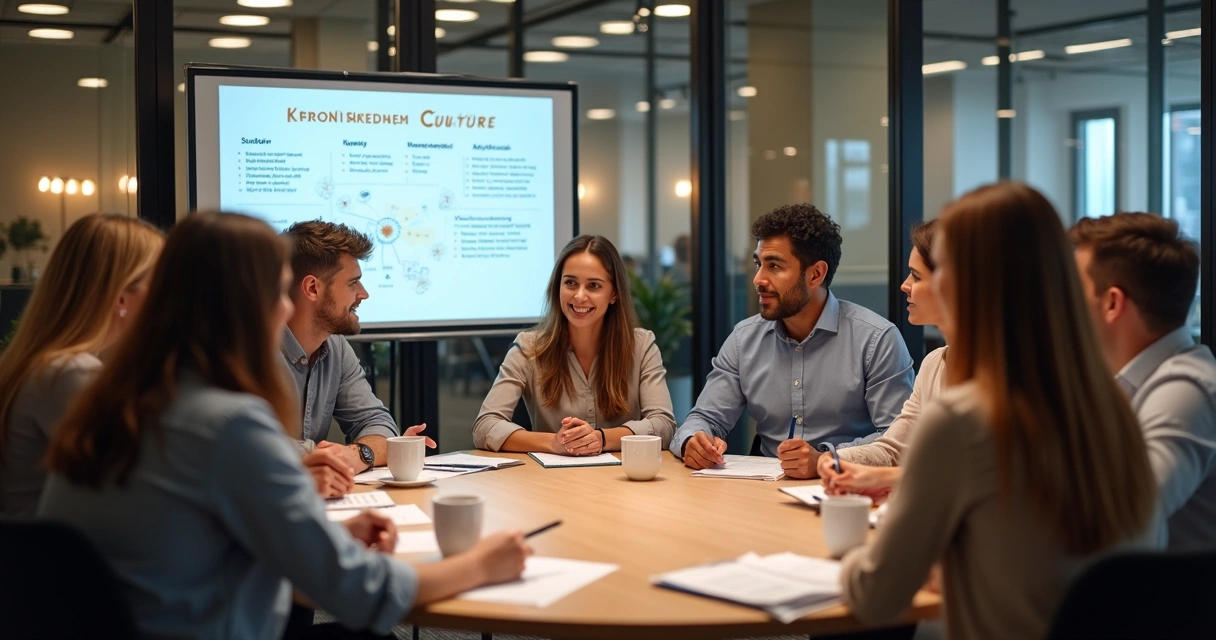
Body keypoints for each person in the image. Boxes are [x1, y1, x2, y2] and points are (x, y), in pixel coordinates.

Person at [38, 212, 529, 640]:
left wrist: (317, 532)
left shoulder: (119, 399)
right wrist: (480, 564)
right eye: (277, 289)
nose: (284, 306)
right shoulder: (224, 421)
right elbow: (361, 593)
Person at [840, 182, 1161, 640]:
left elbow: (876, 597)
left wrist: (844, 553)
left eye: (942, 265)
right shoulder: (1111, 405)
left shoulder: (961, 420)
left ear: (970, 282)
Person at [670, 204, 914, 478]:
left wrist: (824, 459)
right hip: (761, 490)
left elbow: (897, 441)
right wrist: (694, 441)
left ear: (815, 274)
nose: (758, 279)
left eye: (774, 266)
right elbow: (705, 417)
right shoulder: (744, 338)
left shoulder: (876, 340)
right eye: (758, 264)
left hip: (845, 487)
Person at [0, 213, 163, 517]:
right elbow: (141, 484)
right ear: (122, 300)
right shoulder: (70, 373)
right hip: (59, 559)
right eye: (160, 285)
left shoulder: (47, 365)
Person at [1071, 213, 1216, 550]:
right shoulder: (1126, 383)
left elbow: (1122, 519)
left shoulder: (1187, 389)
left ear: (1112, 303)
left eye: (1072, 291)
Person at [473, 235, 676, 454]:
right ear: (557, 287)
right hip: (551, 482)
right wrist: (554, 443)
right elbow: (485, 426)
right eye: (570, 283)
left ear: (614, 294)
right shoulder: (529, 347)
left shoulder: (642, 345)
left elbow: (664, 425)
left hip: (623, 481)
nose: (579, 296)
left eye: (594, 286)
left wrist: (601, 438)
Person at [281, 220, 433, 499]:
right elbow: (246, 446)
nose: (363, 293)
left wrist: (358, 453)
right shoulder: (252, 348)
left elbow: (379, 423)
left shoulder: (335, 346)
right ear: (312, 288)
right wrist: (326, 455)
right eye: (353, 283)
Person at [817, 221, 947, 496]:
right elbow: (895, 449)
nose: (904, 285)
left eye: (916, 276)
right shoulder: (935, 363)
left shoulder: (1003, 375)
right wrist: (835, 460)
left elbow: (969, 476)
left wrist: (884, 477)